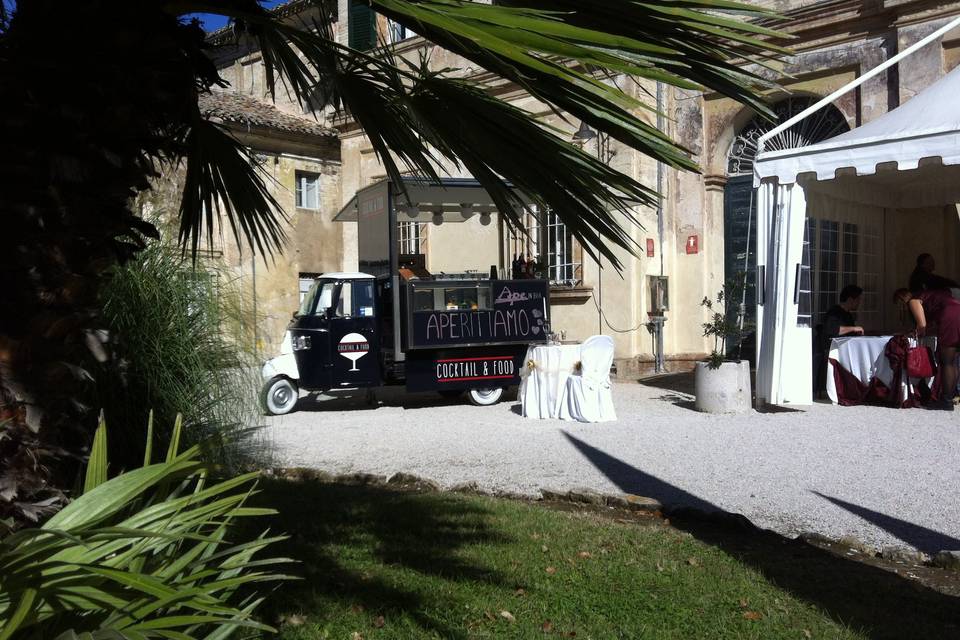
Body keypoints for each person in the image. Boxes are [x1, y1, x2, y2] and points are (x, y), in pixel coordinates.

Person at [893, 287, 960, 410]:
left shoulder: (913, 300)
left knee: (947, 362)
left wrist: (913, 333)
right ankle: (948, 397)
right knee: (953, 360)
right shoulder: (929, 297)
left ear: (901, 299)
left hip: (950, 315)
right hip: (957, 311)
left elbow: (922, 325)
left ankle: (946, 401)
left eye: (899, 304)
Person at [812, 285, 865, 395]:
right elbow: (832, 330)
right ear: (851, 299)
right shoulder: (834, 312)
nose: (859, 302)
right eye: (858, 299)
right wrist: (854, 328)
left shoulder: (848, 315)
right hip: (832, 350)